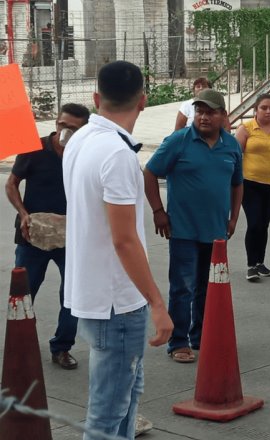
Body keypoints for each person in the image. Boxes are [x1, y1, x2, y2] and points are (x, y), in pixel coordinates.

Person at [62, 60, 173, 439]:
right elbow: (123, 239)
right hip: (117, 302)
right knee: (108, 416)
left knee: (125, 401)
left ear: (96, 98)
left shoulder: (80, 140)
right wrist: (157, 303)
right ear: (143, 101)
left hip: (94, 295)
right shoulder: (117, 154)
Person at [144, 89, 243, 363]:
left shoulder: (231, 145)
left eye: (210, 111)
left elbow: (237, 183)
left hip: (215, 232)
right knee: (183, 287)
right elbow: (150, 172)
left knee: (208, 287)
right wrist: (158, 212)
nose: (203, 116)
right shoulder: (178, 141)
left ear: (223, 115)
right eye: (199, 111)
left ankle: (201, 336)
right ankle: (178, 342)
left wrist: (233, 218)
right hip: (183, 230)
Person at [5, 103, 89, 370]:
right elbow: (11, 183)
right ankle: (18, 343)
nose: (65, 131)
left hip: (71, 237)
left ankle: (62, 347)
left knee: (72, 296)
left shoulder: (86, 154)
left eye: (73, 128)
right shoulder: (35, 149)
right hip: (33, 235)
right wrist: (23, 213)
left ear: (83, 131)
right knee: (24, 292)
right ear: (56, 123)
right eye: (62, 125)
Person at [234, 94, 270, 281]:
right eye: (264, 108)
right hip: (250, 183)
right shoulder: (246, 129)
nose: (268, 111)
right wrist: (233, 182)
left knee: (264, 224)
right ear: (256, 110)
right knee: (254, 223)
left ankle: (261, 262)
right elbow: (235, 156)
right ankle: (251, 265)